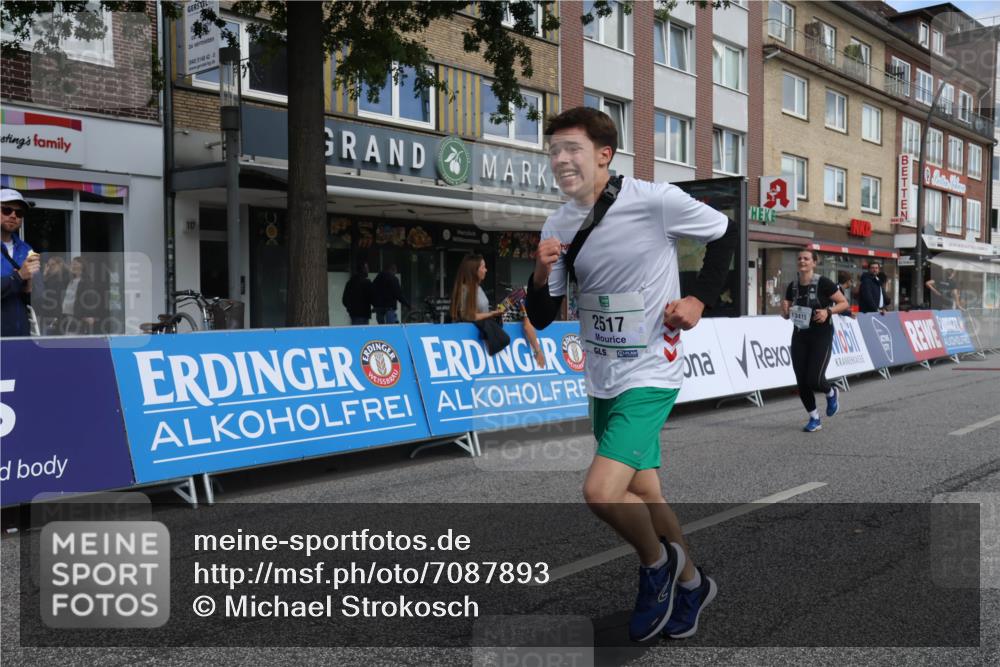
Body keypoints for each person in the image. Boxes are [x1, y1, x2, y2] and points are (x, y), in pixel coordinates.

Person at [526, 107, 737, 642]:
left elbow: (725, 233)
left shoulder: (654, 200)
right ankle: (691, 582)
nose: (561, 159)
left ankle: (656, 565)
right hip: (601, 376)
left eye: (571, 148)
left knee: (601, 492)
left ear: (603, 154)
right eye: (554, 150)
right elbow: (546, 315)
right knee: (644, 491)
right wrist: (540, 271)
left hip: (651, 371)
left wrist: (698, 299)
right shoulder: (558, 223)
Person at [781, 249, 849, 433]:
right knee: (802, 381)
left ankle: (831, 392)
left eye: (806, 258)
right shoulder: (792, 286)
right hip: (800, 335)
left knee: (815, 379)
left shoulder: (823, 283)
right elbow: (786, 314)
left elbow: (844, 303)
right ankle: (814, 418)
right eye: (800, 258)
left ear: (814, 262)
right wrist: (785, 311)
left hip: (821, 334)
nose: (802, 261)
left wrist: (828, 312)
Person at [1, 189, 40, 338]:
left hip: (21, 336)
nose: (13, 216)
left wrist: (31, 289)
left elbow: (40, 299)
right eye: (6, 210)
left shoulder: (27, 249)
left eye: (19, 213)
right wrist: (19, 277)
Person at [498, 285, 546, 368]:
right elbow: (527, 327)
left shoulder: (526, 291)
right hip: (500, 328)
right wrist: (538, 351)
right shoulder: (526, 297)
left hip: (503, 325)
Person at [59, 256, 106, 335]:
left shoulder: (85, 281)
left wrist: (89, 315)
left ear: (82, 266)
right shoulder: (71, 280)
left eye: (75, 264)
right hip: (68, 315)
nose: (72, 266)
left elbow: (89, 298)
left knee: (73, 338)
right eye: (72, 264)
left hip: (78, 317)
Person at [449, 254, 501, 323]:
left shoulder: (478, 288)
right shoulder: (464, 290)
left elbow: (482, 312)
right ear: (474, 271)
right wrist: (491, 314)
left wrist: (494, 313)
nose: (486, 270)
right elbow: (468, 317)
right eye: (483, 267)